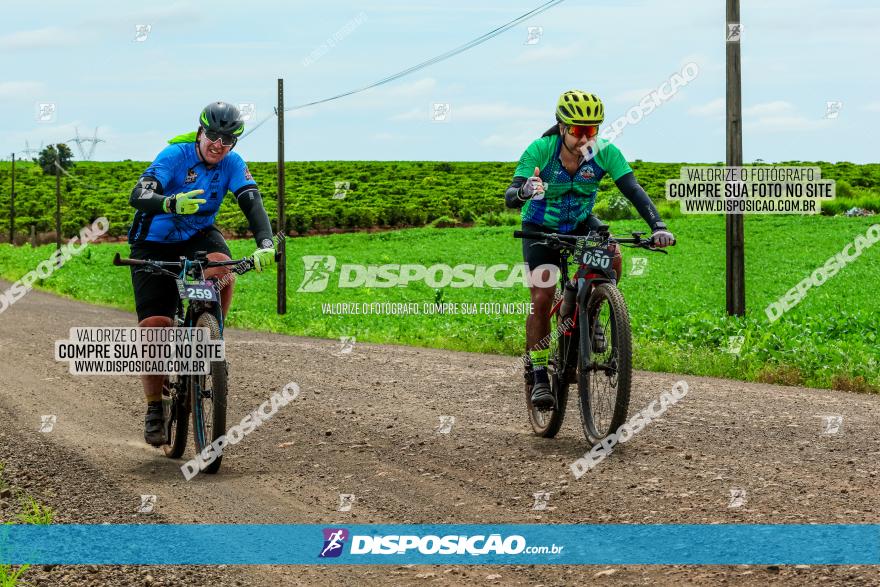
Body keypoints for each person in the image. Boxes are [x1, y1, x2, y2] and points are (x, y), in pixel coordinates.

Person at [504, 90, 674, 410]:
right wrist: (525, 190)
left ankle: (592, 306)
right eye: (578, 131)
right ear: (562, 126)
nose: (585, 138)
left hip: (581, 223)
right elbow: (510, 194)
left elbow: (634, 190)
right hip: (540, 228)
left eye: (591, 130)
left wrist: (659, 226)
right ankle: (539, 373)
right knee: (541, 296)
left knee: (613, 256)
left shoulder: (605, 153)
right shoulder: (540, 150)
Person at [127, 101, 277, 445]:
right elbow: (139, 194)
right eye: (213, 136)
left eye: (228, 140)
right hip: (154, 240)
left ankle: (208, 332)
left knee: (223, 268)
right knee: (156, 327)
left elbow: (252, 202)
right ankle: (155, 405)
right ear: (200, 132)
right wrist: (169, 202)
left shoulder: (233, 164)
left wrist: (266, 244)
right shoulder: (175, 156)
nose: (219, 145)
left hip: (196, 234)